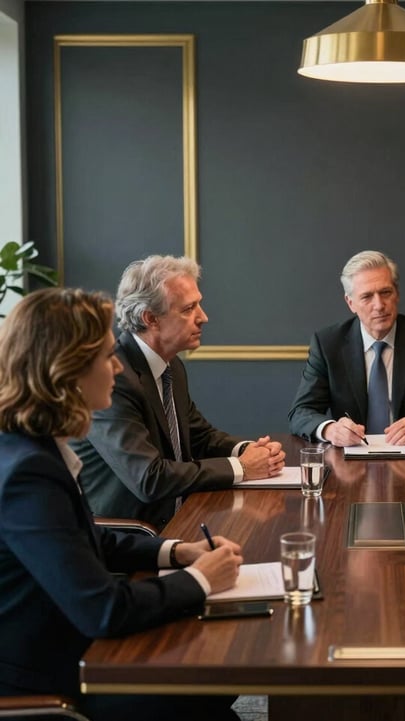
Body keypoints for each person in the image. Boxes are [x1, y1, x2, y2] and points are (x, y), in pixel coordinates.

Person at [0, 287, 244, 721]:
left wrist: (175, 551)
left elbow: (81, 536)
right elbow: (104, 609)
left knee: (215, 683)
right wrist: (200, 580)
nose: (117, 367)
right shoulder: (27, 472)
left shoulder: (32, 447)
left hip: (73, 641)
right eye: (107, 356)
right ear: (67, 369)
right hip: (47, 675)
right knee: (210, 689)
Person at [71, 255, 285, 530]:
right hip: (131, 536)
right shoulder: (112, 378)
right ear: (151, 318)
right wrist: (242, 467)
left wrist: (250, 451)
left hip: (182, 518)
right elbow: (149, 478)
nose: (204, 317)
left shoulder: (171, 365)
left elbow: (200, 436)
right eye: (188, 309)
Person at [288, 250, 405, 446]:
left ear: (397, 294)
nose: (379, 305)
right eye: (366, 297)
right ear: (351, 303)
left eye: (385, 292)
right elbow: (301, 412)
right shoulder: (328, 344)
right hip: (350, 459)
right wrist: (331, 430)